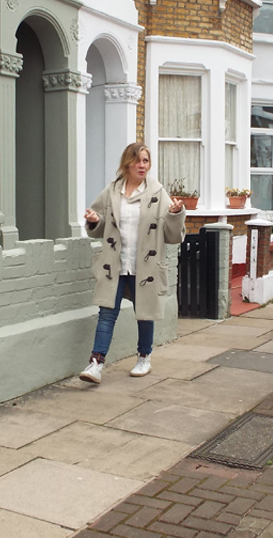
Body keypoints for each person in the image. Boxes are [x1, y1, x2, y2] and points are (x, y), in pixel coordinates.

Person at [80, 142, 186, 383]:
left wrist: (176, 213)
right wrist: (95, 219)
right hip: (115, 264)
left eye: (146, 161)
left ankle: (144, 357)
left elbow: (172, 235)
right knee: (107, 313)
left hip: (145, 266)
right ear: (127, 164)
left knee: (144, 314)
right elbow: (97, 226)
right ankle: (96, 363)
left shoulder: (158, 192)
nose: (142, 165)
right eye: (137, 160)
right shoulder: (111, 191)